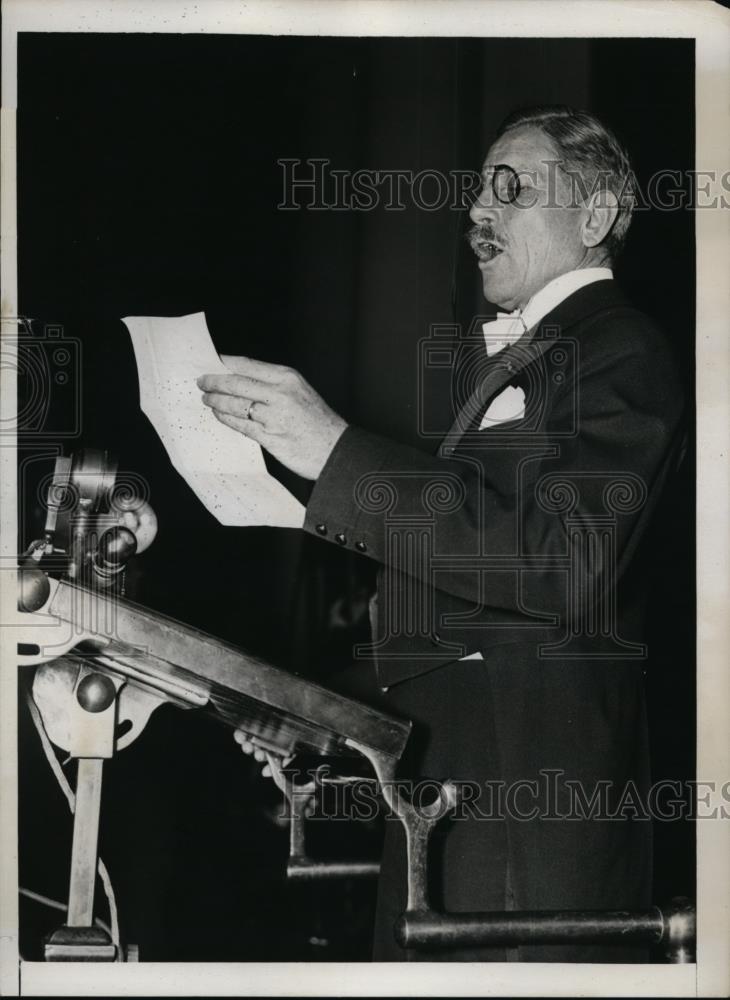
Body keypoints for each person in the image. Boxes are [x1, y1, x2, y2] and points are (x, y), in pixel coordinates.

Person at [197, 106, 686, 962]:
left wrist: (338, 453)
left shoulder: (622, 348)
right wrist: (309, 716)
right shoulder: (513, 359)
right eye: (476, 194)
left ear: (598, 215)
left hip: (527, 824)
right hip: (458, 811)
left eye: (511, 188)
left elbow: (561, 561)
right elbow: (459, 633)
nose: (477, 213)